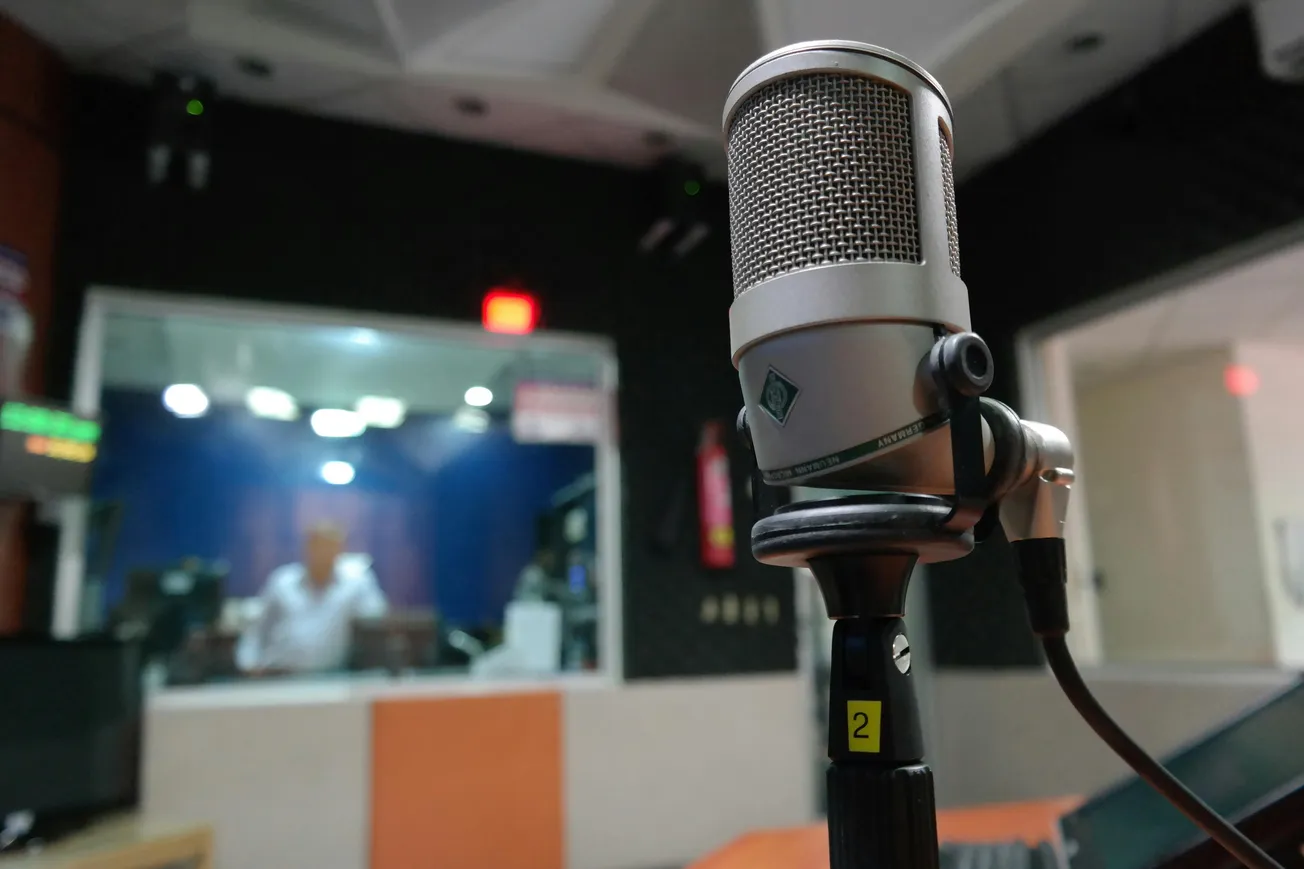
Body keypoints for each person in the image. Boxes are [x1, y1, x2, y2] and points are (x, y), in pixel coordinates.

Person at [236, 521, 388, 674]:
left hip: (331, 678)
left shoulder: (355, 584)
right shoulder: (282, 581)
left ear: (340, 550)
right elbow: (257, 628)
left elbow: (376, 618)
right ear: (308, 548)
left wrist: (364, 575)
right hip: (279, 675)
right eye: (318, 545)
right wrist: (249, 665)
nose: (323, 552)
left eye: (330, 546)